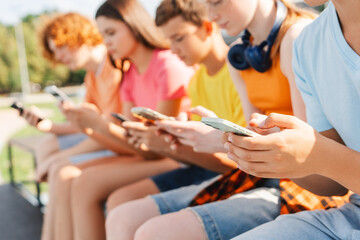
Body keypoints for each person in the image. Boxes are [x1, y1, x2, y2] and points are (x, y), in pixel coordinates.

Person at [105, 1, 349, 240]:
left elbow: (308, 148)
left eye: (218, 3)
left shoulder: (297, 37)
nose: (211, 15)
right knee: (127, 218)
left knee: (154, 231)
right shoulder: (240, 56)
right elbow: (252, 128)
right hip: (265, 171)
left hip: (302, 179)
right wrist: (219, 138)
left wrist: (224, 141)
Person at [46, 1, 195, 239]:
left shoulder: (166, 65)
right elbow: (131, 140)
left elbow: (160, 147)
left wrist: (98, 125)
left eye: (111, 33)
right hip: (148, 153)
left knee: (85, 183)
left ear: (134, 25)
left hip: (178, 156)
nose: (106, 42)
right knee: (77, 179)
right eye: (103, 34)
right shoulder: (130, 76)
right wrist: (92, 125)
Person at [221, 0, 360, 239]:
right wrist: (280, 154)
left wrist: (319, 155)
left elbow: (327, 157)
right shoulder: (308, 45)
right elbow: (331, 185)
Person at [106, 0, 245, 225]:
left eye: (179, 38)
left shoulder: (239, 73)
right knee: (120, 201)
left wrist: (174, 144)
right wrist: (175, 141)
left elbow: (237, 162)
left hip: (236, 177)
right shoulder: (197, 81)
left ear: (208, 28)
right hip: (205, 170)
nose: (173, 49)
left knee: (130, 214)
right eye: (169, 40)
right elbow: (205, 155)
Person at [26, 12, 124, 240]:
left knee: (60, 170)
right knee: (48, 148)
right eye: (54, 51)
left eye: (60, 46)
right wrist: (48, 126)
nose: (58, 56)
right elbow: (88, 125)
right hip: (109, 138)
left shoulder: (113, 66)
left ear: (78, 36)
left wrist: (61, 158)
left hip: (120, 143)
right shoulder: (93, 76)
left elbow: (105, 129)